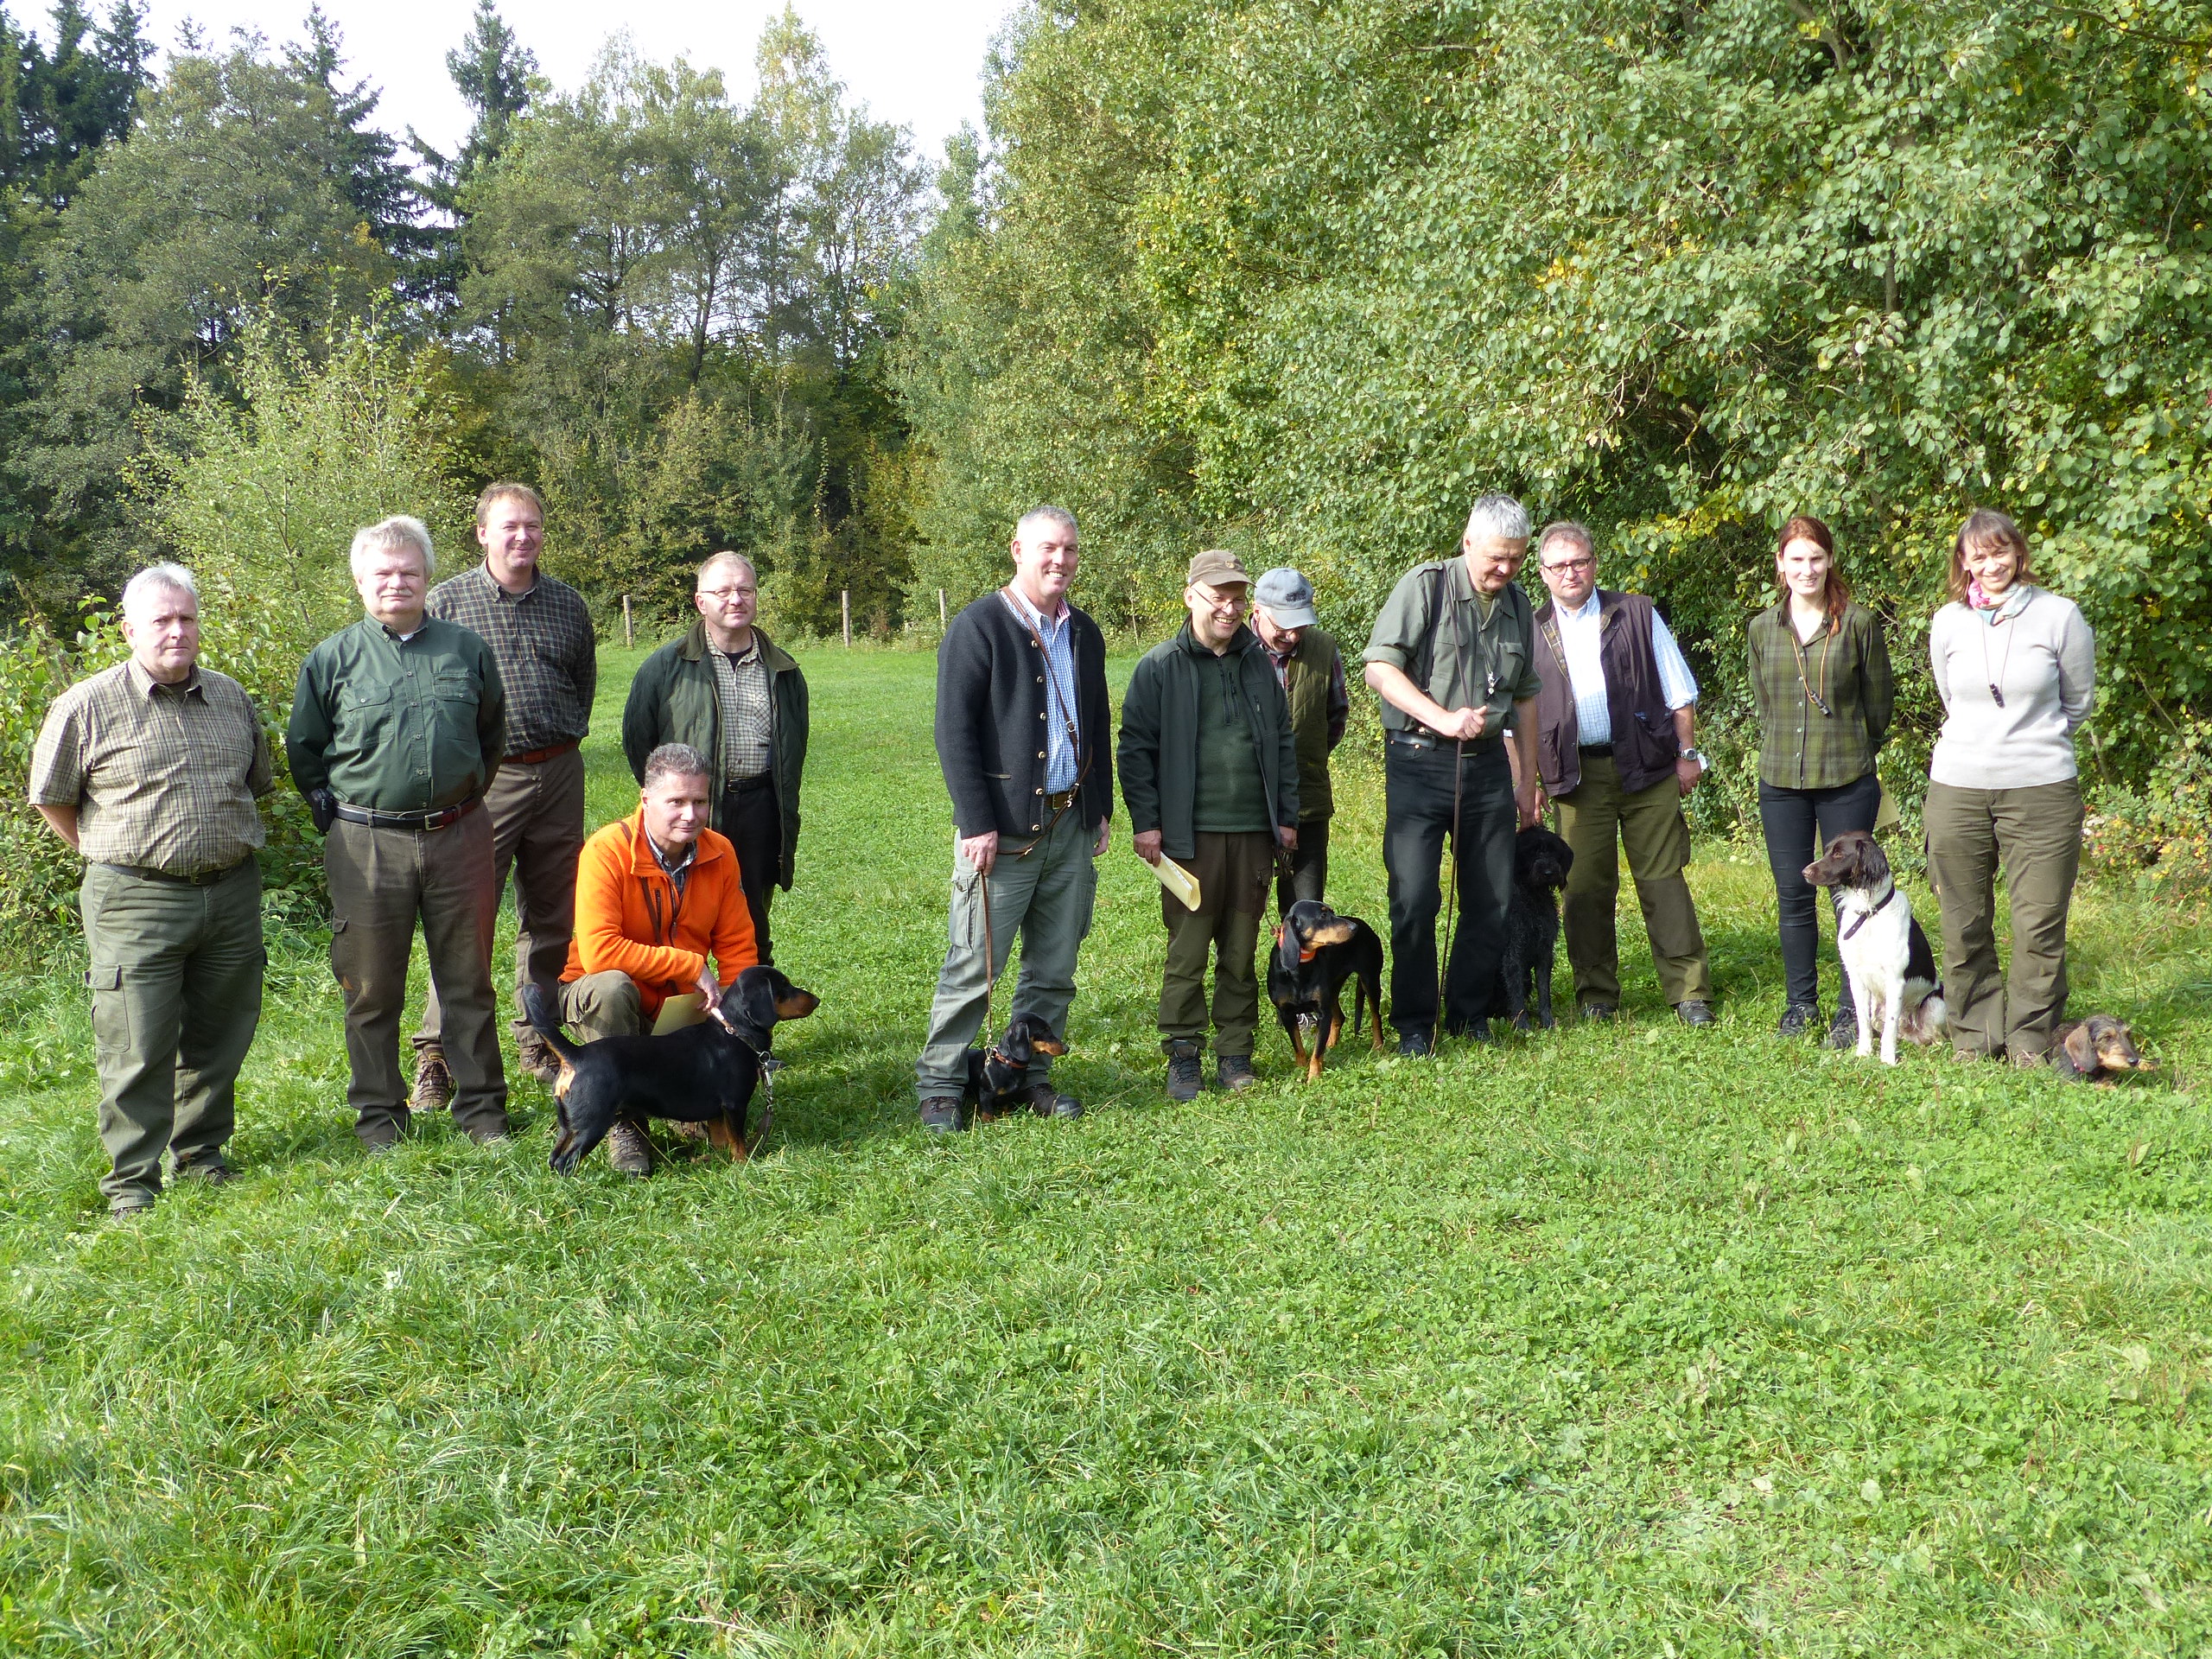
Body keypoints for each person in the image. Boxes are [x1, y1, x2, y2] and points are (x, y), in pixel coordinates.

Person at [29, 564, 274, 1217]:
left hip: (230, 894)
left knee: (221, 1034)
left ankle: (202, 1155)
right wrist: (111, 855)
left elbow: (257, 780)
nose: (176, 631)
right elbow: (51, 799)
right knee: (135, 1043)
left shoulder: (229, 696)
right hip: (134, 900)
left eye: (186, 618)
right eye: (161, 620)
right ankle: (132, 1184)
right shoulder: (86, 704)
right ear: (130, 629)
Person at [287, 516, 511, 1151]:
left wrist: (456, 798)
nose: (397, 581)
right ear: (360, 582)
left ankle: (483, 1114)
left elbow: (490, 738)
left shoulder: (467, 651)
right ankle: (380, 1118)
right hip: (366, 845)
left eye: (409, 571)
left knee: (467, 983)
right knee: (371, 988)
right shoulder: (332, 659)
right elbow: (304, 749)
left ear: (428, 578)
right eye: (382, 572)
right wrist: (341, 812)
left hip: (459, 836)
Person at [915, 506, 1113, 1133]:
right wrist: (976, 821)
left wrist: (1100, 807)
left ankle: (1029, 1074)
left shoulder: (1085, 631)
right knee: (975, 963)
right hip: (1000, 835)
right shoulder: (978, 627)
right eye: (1048, 548)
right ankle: (943, 1084)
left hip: (1069, 829)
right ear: (1017, 549)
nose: (1061, 560)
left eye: (1071, 550)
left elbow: (1098, 724)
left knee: (1055, 967)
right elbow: (954, 732)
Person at [410, 481, 595, 1111]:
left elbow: (581, 684)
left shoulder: (569, 605)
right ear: (483, 533)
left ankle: (536, 1035)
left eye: (533, 526)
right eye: (509, 526)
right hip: (483, 782)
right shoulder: (447, 604)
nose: (523, 537)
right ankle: (436, 1052)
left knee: (551, 916)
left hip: (559, 772)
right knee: (466, 918)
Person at [1363, 493, 1545, 1053]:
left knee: (1491, 899)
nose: (1505, 569)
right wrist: (1442, 718)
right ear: (1468, 542)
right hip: (1419, 762)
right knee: (1415, 897)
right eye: (1496, 557)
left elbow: (1527, 700)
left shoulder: (1518, 604)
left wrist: (1527, 782)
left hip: (1489, 767)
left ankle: (1469, 1012)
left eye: (1515, 558)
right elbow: (1379, 669)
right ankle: (1415, 1023)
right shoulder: (1425, 587)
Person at [1119, 549, 1299, 1099]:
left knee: (1241, 950)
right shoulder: (1159, 667)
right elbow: (1135, 751)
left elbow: (1284, 747)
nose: (1229, 607)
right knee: (1189, 951)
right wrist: (1147, 824)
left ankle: (1235, 1054)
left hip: (1251, 835)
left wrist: (1285, 818)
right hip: (1185, 838)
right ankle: (1183, 1054)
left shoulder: (1260, 666)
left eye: (1238, 597)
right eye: (1218, 595)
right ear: (1190, 596)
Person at [1923, 509, 2095, 1065]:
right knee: (1962, 917)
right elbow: (1951, 697)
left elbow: (2078, 703)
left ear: (2018, 555)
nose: (1990, 564)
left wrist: (2027, 745)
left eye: (2000, 552)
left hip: (2042, 788)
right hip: (1958, 787)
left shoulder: (2060, 616)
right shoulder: (1948, 621)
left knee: (2038, 919)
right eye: (1978, 555)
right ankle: (1975, 1036)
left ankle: (2028, 1037)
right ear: (1964, 563)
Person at [1529, 522, 1715, 1026]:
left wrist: (1687, 753)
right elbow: (1514, 714)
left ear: (1594, 563)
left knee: (1662, 880)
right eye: (1559, 565)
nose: (1571, 572)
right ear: (1543, 573)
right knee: (1584, 887)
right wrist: (1527, 783)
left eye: (1579, 562)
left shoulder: (1636, 612)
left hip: (1648, 768)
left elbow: (1679, 690)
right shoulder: (1528, 628)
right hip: (1573, 776)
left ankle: (1689, 992)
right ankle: (1596, 995)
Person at [561, 742, 760, 1173]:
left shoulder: (720, 852)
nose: (690, 815)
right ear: (646, 799)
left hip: (681, 1005)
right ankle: (622, 1118)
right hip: (600, 994)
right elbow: (598, 953)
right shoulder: (607, 851)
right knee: (613, 987)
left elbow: (738, 949)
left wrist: (740, 1017)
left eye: (700, 801)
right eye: (677, 801)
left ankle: (688, 1101)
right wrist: (689, 965)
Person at [1747, 514, 1895, 1045]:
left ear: (1829, 560)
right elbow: (1765, 703)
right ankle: (1800, 1004)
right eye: (1796, 559)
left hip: (1846, 777)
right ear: (1780, 565)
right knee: (1793, 893)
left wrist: (1853, 750)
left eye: (1816, 558)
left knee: (1850, 896)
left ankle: (1850, 1010)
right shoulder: (1763, 628)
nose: (1806, 569)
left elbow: (1879, 706)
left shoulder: (1857, 623)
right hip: (1781, 780)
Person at [621, 551, 808, 965]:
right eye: (722, 591)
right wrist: (673, 797)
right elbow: (638, 742)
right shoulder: (664, 667)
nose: (735, 599)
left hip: (759, 810)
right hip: (690, 810)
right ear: (700, 602)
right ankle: (677, 1022)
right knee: (676, 917)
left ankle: (748, 1024)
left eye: (745, 590)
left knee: (750, 925)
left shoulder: (784, 671)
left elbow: (794, 750)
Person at [1250, 566, 1349, 912]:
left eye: (1301, 625)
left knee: (1306, 913)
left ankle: (1301, 968)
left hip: (1308, 802)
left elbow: (1336, 717)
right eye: (1283, 626)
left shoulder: (1323, 648)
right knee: (1240, 916)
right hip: (1245, 807)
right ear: (1257, 611)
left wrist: (1301, 760)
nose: (1293, 636)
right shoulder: (1232, 649)